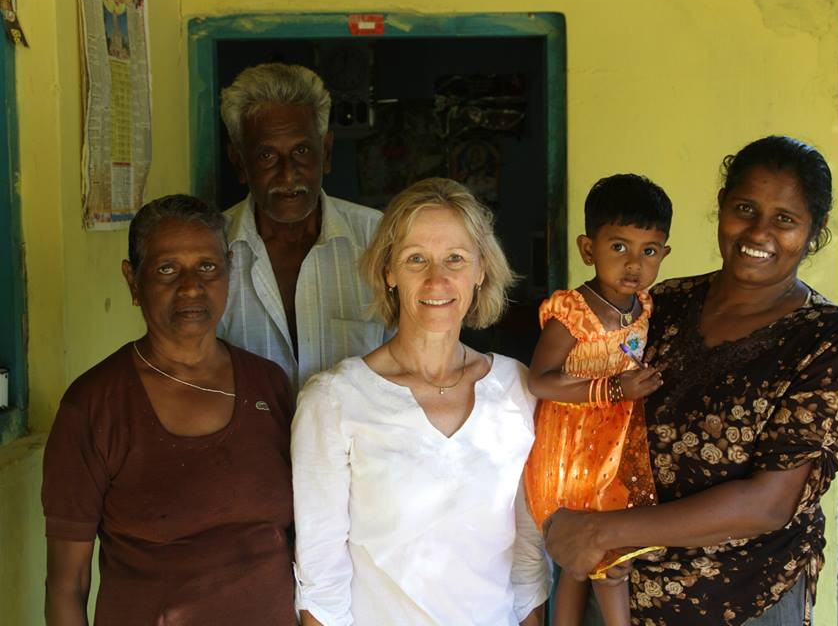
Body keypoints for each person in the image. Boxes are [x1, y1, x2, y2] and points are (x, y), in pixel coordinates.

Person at [543, 136, 838, 626]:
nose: (759, 232)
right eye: (745, 208)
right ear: (721, 209)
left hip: (741, 599)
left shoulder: (826, 338)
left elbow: (767, 503)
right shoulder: (660, 304)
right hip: (614, 587)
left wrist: (599, 530)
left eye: (785, 219)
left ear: (814, 232)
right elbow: (580, 400)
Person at [291, 178, 551, 625]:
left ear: (481, 270)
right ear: (389, 271)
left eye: (455, 258)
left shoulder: (517, 388)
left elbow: (528, 562)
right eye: (416, 260)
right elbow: (321, 582)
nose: (438, 279)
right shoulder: (334, 401)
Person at [42, 195, 296, 624]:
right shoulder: (93, 406)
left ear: (228, 271)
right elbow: (67, 584)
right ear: (133, 282)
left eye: (207, 267)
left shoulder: (269, 386)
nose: (191, 286)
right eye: (166, 269)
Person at [524, 174, 671, 626]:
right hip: (573, 452)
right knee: (608, 563)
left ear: (664, 253)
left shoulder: (643, 306)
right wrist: (611, 389)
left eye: (648, 251)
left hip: (616, 444)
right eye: (619, 247)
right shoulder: (574, 314)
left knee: (584, 561)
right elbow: (540, 381)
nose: (634, 264)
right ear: (588, 249)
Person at [218, 62, 385, 391]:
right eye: (267, 155)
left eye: (302, 151)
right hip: (251, 445)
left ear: (326, 152)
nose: (288, 175)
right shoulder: (211, 249)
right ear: (239, 162)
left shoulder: (380, 239)